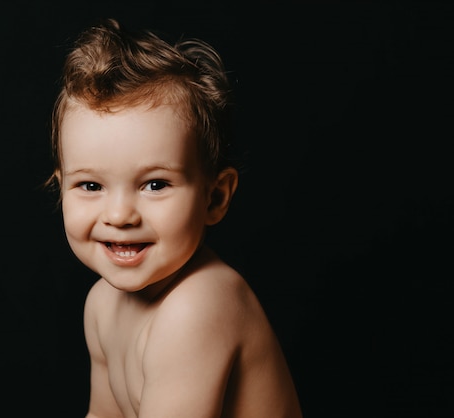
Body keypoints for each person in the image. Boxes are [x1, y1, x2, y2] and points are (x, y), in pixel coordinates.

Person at [45, 17, 302, 418]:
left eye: (155, 185)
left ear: (214, 197)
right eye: (91, 186)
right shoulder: (101, 305)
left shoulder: (198, 305)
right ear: (60, 189)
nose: (119, 215)